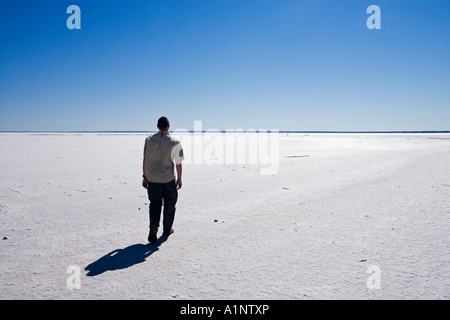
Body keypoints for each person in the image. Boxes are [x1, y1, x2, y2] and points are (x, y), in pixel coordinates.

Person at [142, 116, 184, 243]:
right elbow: (178, 163)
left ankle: (153, 229)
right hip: (168, 179)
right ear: (168, 126)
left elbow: (145, 159)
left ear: (157, 126)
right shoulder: (175, 142)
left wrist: (145, 176)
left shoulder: (149, 140)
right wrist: (179, 179)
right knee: (170, 204)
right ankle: (167, 229)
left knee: (155, 204)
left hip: (153, 179)